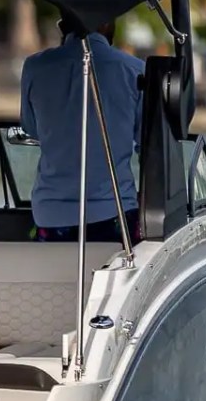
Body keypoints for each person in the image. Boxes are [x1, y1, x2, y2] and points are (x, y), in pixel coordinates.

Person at [19, 17, 144, 243]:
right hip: (114, 212)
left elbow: (32, 129)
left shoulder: (34, 67)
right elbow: (147, 141)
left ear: (62, 24)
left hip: (50, 215)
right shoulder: (134, 70)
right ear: (105, 22)